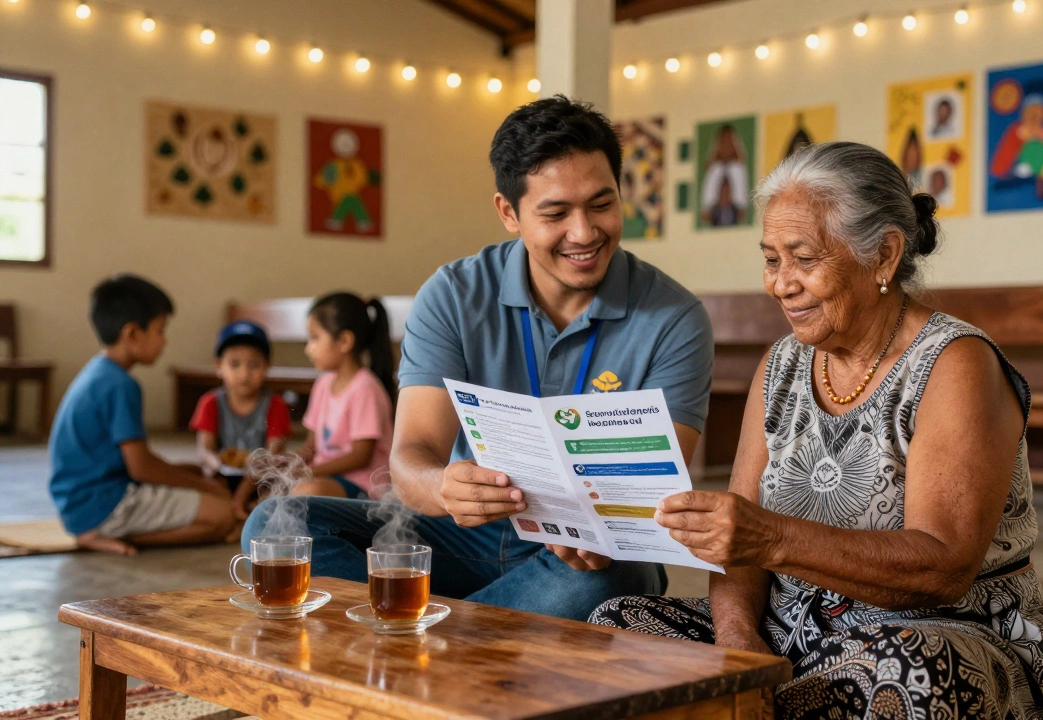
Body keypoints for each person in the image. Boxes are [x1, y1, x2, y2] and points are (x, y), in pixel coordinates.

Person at [591, 142, 1043, 719]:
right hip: (791, 630)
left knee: (911, 674)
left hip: (935, 635)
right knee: (616, 626)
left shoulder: (954, 363)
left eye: (803, 259)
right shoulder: (782, 366)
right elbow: (737, 546)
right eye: (771, 259)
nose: (781, 284)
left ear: (884, 255)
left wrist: (771, 538)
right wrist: (739, 648)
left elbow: (942, 568)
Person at [242, 96, 714, 621]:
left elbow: (648, 494)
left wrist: (607, 531)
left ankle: (422, 630)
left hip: (582, 556)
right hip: (461, 534)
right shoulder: (452, 295)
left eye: (601, 205)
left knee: (616, 582)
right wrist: (444, 488)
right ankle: (493, 633)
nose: (584, 233)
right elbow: (411, 456)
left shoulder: (675, 318)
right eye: (555, 213)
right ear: (508, 212)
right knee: (276, 522)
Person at [49, 275, 236, 556]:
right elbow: (142, 468)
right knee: (223, 515)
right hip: (102, 504)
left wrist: (199, 480)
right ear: (132, 333)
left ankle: (104, 529)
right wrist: (209, 490)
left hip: (77, 502)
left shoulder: (99, 371)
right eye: (160, 331)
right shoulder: (120, 385)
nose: (165, 341)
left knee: (197, 471)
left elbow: (139, 459)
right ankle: (110, 535)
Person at [290, 292, 396, 500]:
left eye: (315, 338)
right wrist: (289, 465)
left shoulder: (366, 388)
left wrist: (310, 473)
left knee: (308, 493)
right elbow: (312, 445)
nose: (308, 349)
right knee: (275, 489)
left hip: (363, 485)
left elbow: (361, 457)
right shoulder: (323, 384)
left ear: (344, 341)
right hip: (326, 478)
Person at [188, 321, 293, 521]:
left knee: (284, 488)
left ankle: (238, 510)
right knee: (195, 477)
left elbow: (274, 454)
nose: (244, 374)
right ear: (219, 366)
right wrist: (215, 462)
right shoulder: (210, 402)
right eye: (234, 364)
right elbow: (204, 449)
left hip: (260, 479)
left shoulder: (276, 405)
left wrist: (244, 489)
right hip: (223, 476)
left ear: (267, 366)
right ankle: (240, 512)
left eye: (254, 365)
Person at [700, 124, 750, 226]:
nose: (726, 147)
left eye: (729, 142)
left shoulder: (738, 168)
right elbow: (706, 210)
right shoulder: (714, 169)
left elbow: (742, 209)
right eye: (723, 142)